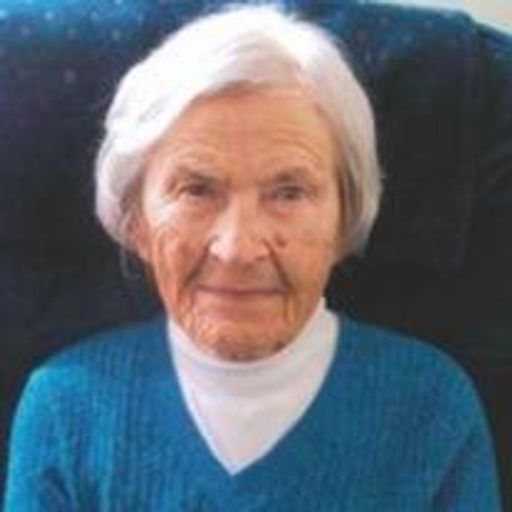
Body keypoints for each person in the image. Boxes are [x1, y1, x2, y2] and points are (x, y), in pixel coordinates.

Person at [4, 4, 501, 511]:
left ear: (344, 215)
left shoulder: (433, 409)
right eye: (197, 190)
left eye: (288, 192)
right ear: (136, 220)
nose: (238, 249)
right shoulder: (64, 411)